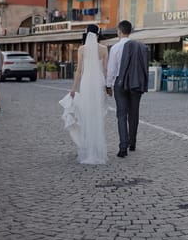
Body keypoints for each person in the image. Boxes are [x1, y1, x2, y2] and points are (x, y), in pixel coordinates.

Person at [59, 24, 108, 165]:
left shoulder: (82, 49)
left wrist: (73, 88)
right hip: (99, 82)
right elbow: (105, 70)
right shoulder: (104, 49)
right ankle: (97, 147)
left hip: (86, 82)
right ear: (98, 34)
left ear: (86, 33)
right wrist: (108, 87)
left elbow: (79, 70)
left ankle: (87, 146)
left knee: (87, 114)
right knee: (97, 114)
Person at [106, 20, 148, 158]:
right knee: (134, 113)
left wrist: (108, 85)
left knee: (121, 115)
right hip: (136, 82)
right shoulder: (140, 46)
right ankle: (132, 142)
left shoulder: (115, 48)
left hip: (120, 82)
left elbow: (111, 69)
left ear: (119, 30)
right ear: (130, 31)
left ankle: (123, 147)